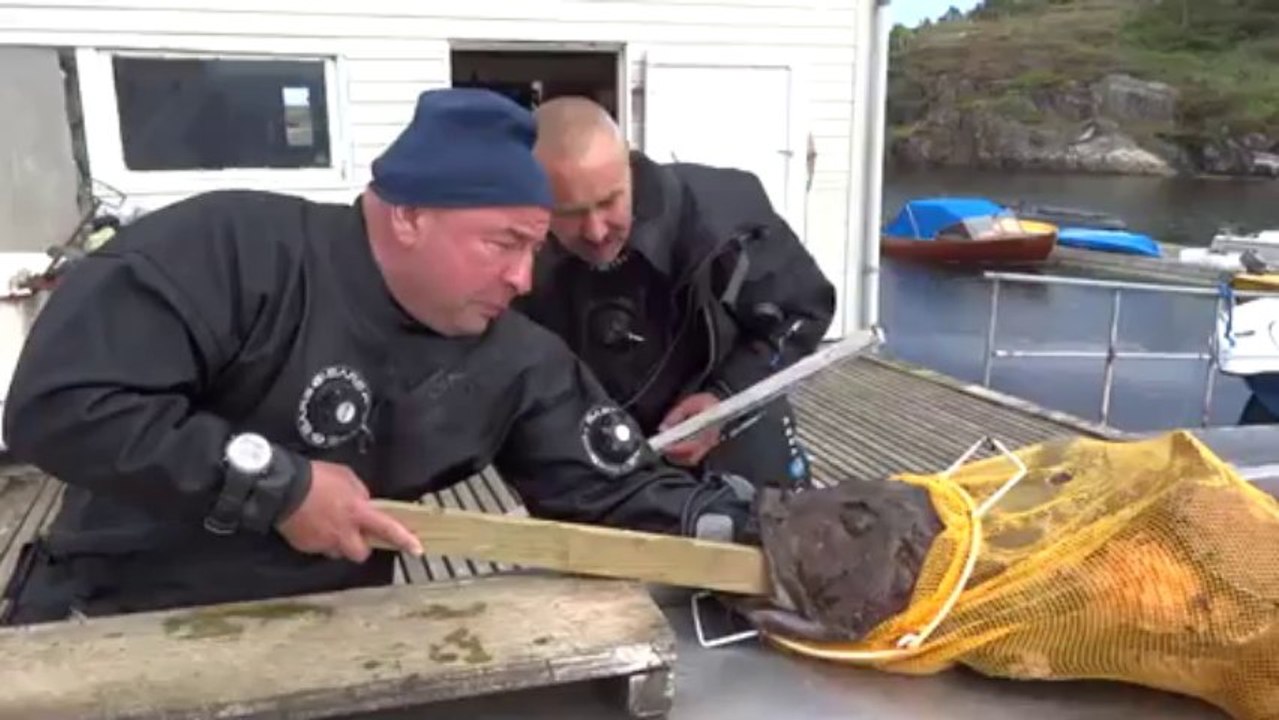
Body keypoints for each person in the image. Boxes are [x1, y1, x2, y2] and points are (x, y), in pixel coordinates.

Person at [0, 88, 758, 626]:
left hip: (331, 632)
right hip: (112, 618)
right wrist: (278, 487)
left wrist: (763, 528)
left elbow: (614, 496)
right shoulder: (229, 254)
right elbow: (59, 406)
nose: (523, 279)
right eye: (502, 243)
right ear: (408, 216)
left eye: (533, 247)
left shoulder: (513, 359)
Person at [515, 97, 837, 490]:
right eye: (569, 212)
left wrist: (726, 399)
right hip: (607, 457)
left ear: (629, 167)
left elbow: (803, 310)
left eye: (608, 202)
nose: (596, 231)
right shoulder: (513, 249)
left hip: (737, 423)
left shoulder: (721, 219)